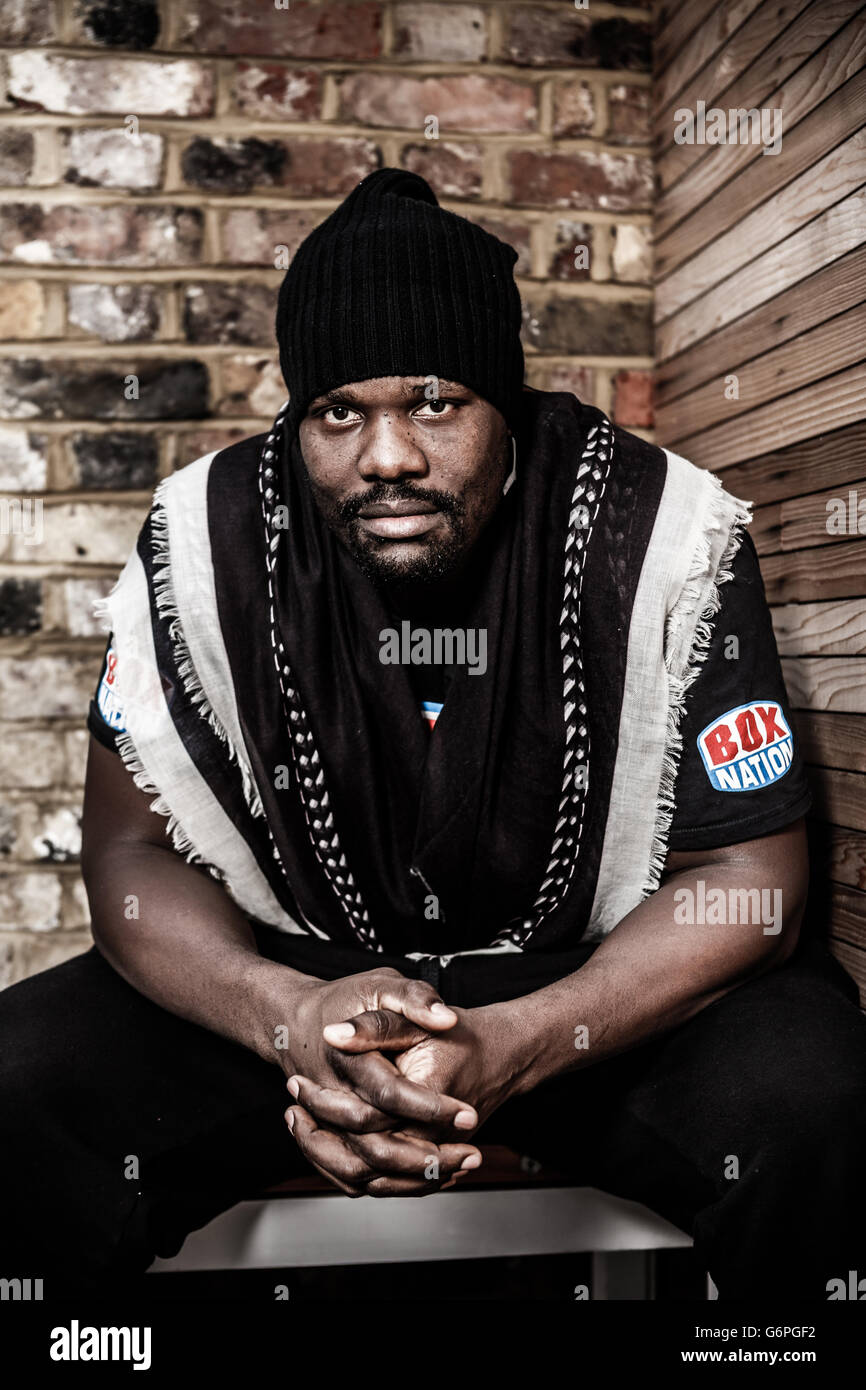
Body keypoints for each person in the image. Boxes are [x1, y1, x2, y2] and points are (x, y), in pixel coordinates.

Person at [1, 169, 864, 1302]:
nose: (388, 456)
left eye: (434, 401)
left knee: (815, 1104)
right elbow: (127, 858)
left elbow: (752, 879)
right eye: (338, 412)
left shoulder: (656, 529)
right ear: (298, 419)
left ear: (504, 404)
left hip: (593, 990)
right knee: (17, 1086)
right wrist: (285, 1016)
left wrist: (524, 1036)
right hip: (297, 977)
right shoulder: (206, 538)